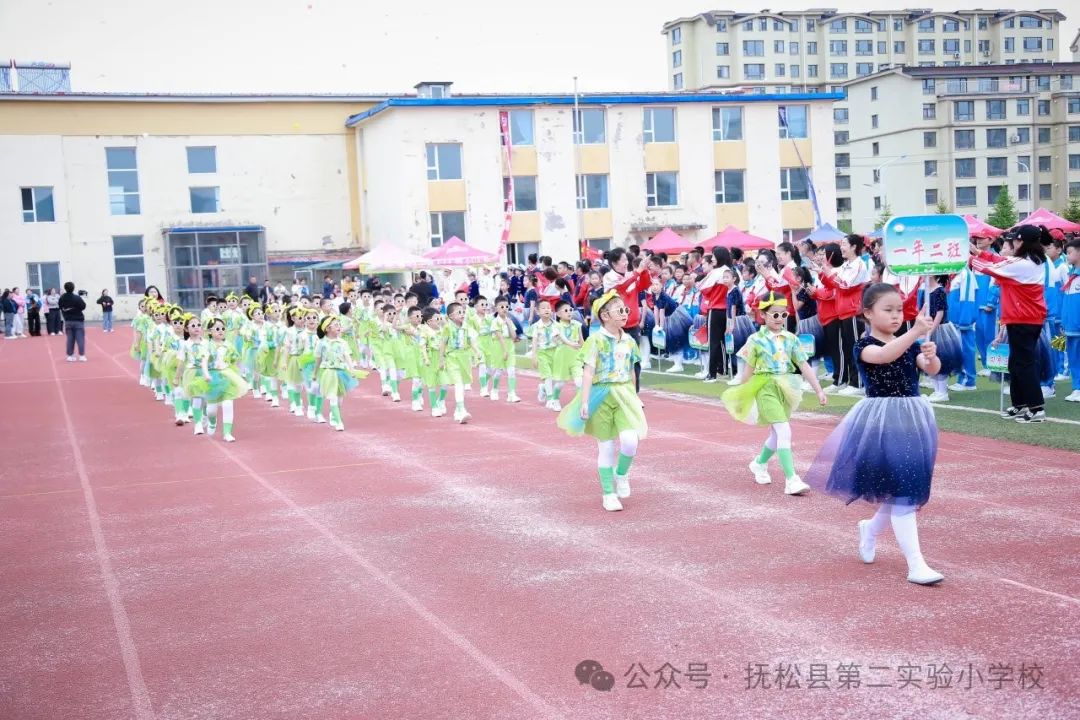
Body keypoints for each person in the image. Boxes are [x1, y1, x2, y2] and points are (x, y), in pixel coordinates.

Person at [805, 284, 944, 585]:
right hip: (881, 423)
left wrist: (930, 355)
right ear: (867, 313)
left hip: (912, 419)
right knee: (903, 490)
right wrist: (913, 334)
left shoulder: (905, 342)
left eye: (899, 310)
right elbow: (882, 356)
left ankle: (870, 529)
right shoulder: (863, 345)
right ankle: (915, 564)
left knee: (901, 488)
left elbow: (931, 370)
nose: (896, 316)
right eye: (888, 310)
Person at [722, 292, 827, 496]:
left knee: (776, 432)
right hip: (764, 387)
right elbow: (748, 371)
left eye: (783, 315)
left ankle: (759, 463)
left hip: (786, 386)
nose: (779, 319)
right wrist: (743, 396)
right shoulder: (755, 340)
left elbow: (803, 364)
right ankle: (791, 479)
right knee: (784, 430)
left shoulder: (791, 339)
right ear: (763, 315)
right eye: (774, 315)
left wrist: (818, 389)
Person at [556, 291, 648, 512]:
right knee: (606, 447)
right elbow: (588, 372)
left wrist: (635, 396)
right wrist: (585, 401)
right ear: (605, 316)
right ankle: (609, 493)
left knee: (630, 440)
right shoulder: (595, 340)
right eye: (620, 310)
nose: (625, 313)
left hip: (624, 394)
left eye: (625, 310)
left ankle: (622, 474)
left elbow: (632, 370)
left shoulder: (629, 341)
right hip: (601, 394)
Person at [970, 225, 1049, 423]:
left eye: (1014, 239)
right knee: (1016, 363)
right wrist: (979, 252)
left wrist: (969, 259)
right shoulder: (1027, 260)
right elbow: (1001, 260)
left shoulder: (1025, 264)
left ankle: (1036, 407)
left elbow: (990, 268)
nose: (1011, 242)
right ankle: (1020, 404)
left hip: (1025, 319)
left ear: (1021, 242)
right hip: (1021, 318)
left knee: (1024, 363)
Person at [1061, 239, 1080, 403]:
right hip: (1071, 326)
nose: (1067, 256)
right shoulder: (1071, 274)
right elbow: (1067, 302)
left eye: (1069, 252)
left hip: (1078, 325)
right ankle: (1077, 388)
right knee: (1073, 358)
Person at [58, 282, 87, 361]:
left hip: (68, 320)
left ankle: (70, 356)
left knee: (70, 339)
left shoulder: (62, 298)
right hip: (78, 320)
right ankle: (82, 356)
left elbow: (60, 307)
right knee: (80, 338)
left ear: (65, 288)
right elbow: (83, 306)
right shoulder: (77, 298)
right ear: (73, 288)